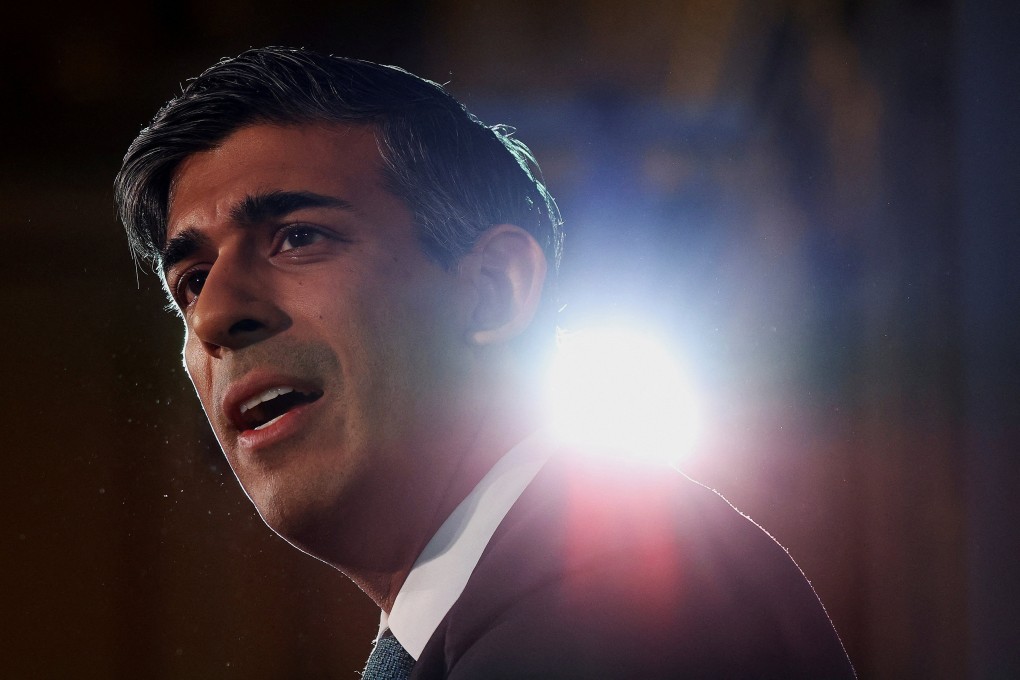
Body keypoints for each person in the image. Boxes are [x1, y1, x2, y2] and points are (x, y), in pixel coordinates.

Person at [114, 47, 855, 678]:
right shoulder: (524, 603)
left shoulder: (615, 603)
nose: (212, 316)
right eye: (192, 281)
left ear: (494, 290)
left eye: (299, 237)